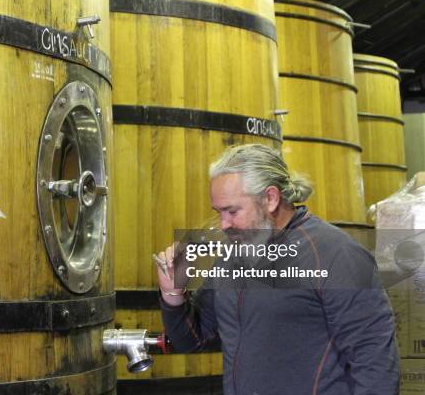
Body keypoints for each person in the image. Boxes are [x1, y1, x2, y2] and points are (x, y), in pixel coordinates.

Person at [156, 144, 399, 395]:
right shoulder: (234, 257)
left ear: (271, 199)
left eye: (232, 211)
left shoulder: (336, 255)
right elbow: (191, 340)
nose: (224, 224)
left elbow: (375, 363)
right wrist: (172, 292)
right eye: (218, 212)